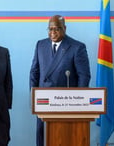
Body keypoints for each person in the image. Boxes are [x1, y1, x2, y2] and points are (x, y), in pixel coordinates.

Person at [30, 15, 91, 146]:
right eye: (50, 29)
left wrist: (79, 101)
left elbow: (84, 76)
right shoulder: (41, 45)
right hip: (43, 101)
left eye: (57, 29)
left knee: (65, 137)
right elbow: (34, 72)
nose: (53, 32)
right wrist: (33, 96)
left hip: (67, 103)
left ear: (64, 28)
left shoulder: (77, 47)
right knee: (43, 135)